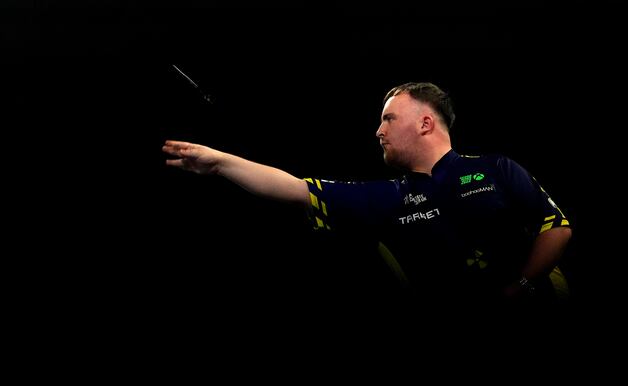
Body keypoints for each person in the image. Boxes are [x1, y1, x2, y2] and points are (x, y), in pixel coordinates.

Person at [162, 82, 572, 313]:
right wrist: (218, 163)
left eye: (388, 118)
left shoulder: (496, 167)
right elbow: (293, 187)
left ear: (425, 122)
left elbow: (557, 227)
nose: (379, 131)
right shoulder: (386, 198)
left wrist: (519, 287)